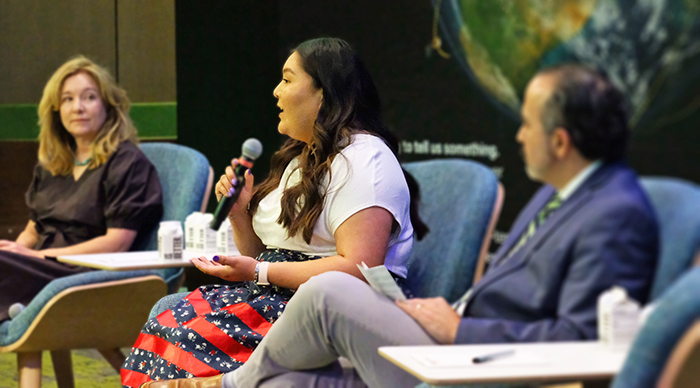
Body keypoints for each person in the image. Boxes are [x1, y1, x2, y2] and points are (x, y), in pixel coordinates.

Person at [141, 64, 660, 388]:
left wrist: (462, 328)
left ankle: (227, 384)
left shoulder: (616, 215)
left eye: (527, 124)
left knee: (325, 294)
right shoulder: (560, 196)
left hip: (487, 362)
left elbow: (584, 339)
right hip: (456, 339)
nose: (520, 137)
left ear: (563, 142)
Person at [121, 38, 415, 387]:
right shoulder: (299, 158)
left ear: (325, 93)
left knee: (187, 334)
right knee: (170, 318)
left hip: (329, 312)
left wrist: (259, 270)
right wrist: (239, 213)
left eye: (288, 80)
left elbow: (356, 269)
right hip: (274, 298)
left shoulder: (366, 159)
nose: (276, 92)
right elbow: (263, 259)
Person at [0, 56, 163, 322]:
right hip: (42, 266)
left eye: (89, 97)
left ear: (108, 106)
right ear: (56, 110)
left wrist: (34, 256)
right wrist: (16, 253)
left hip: (86, 273)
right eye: (67, 99)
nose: (78, 108)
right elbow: (33, 228)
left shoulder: (127, 162)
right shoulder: (53, 163)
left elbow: (116, 243)